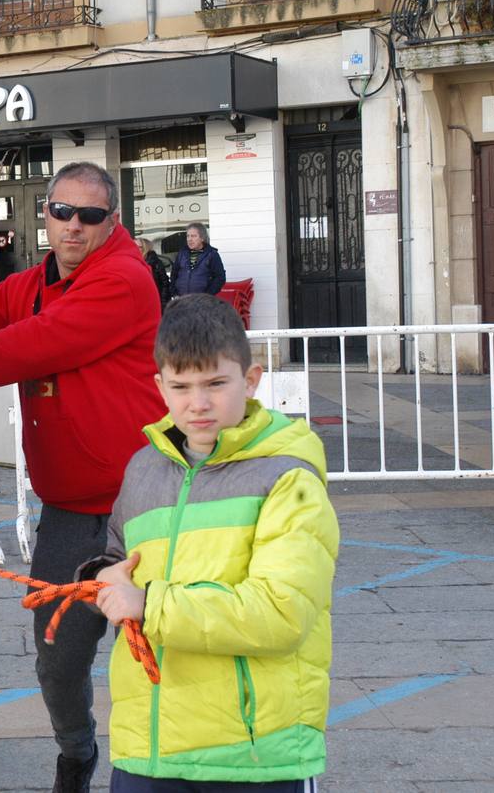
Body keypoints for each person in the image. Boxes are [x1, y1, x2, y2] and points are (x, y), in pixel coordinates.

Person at [0, 162, 166, 792]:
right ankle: (76, 753)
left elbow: (36, 345)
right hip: (72, 508)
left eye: (90, 215)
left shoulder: (125, 280)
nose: (73, 226)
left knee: (168, 648)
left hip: (146, 504)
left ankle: (166, 768)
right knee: (58, 657)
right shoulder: (35, 281)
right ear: (44, 213)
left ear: (114, 221)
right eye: (62, 212)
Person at [86, 293, 339, 792]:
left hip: (252, 754)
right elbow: (118, 559)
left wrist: (147, 603)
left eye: (215, 384)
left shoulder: (288, 477)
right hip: (148, 748)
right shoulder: (144, 468)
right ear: (159, 386)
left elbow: (281, 613)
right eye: (180, 386)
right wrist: (100, 579)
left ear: (251, 380)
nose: (197, 403)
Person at [169, 221, 225, 297]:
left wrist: (207, 295)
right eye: (188, 236)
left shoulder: (211, 254)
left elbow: (220, 278)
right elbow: (174, 274)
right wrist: (174, 293)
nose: (189, 239)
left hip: (202, 302)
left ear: (202, 238)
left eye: (193, 236)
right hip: (181, 300)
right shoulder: (182, 253)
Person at [137, 235, 172, 308]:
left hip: (154, 302)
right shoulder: (133, 262)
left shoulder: (155, 263)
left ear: (145, 249)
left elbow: (164, 284)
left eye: (138, 247)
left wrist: (163, 303)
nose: (135, 249)